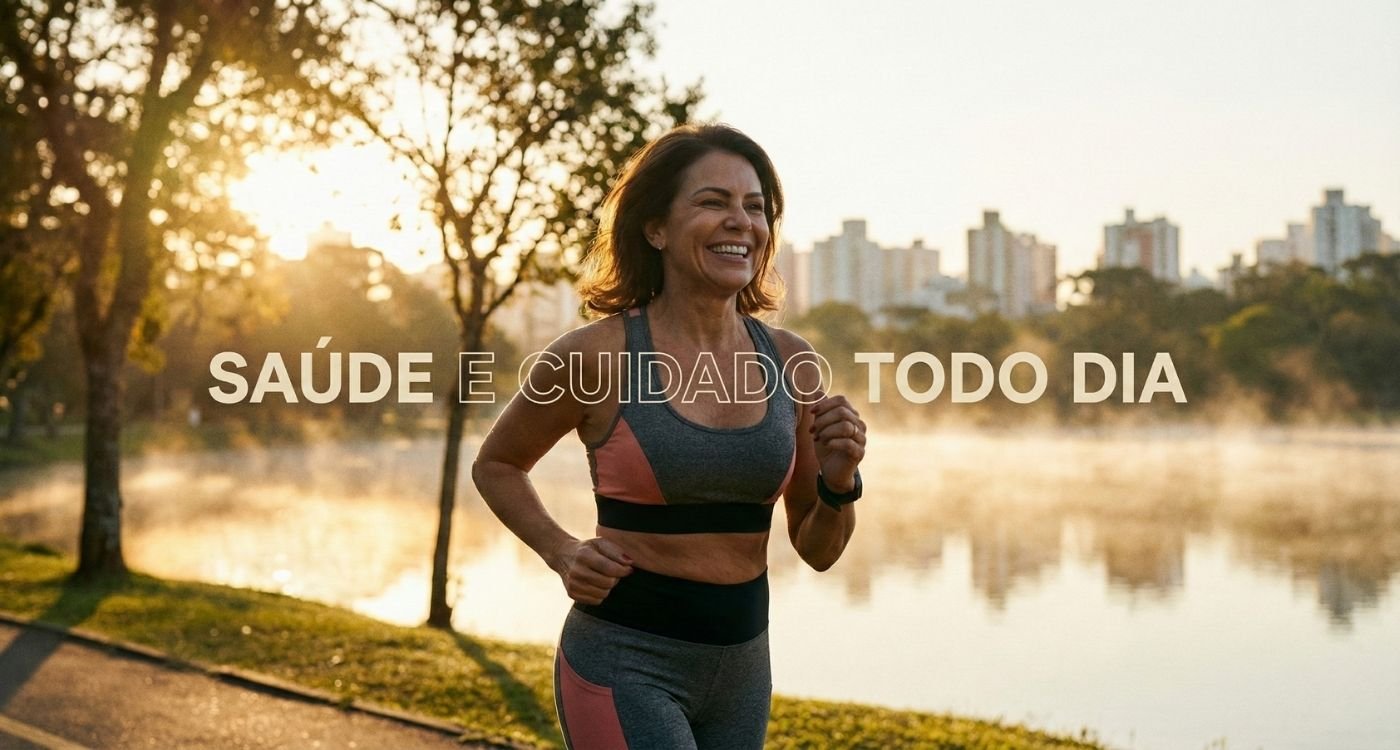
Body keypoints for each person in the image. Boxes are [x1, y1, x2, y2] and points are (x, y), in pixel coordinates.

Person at [472, 123, 867, 750]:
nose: (741, 221)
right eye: (713, 202)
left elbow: (818, 549)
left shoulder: (793, 363)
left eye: (756, 207)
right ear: (655, 227)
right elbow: (497, 464)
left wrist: (840, 482)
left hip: (741, 671)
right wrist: (561, 550)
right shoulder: (594, 355)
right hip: (623, 662)